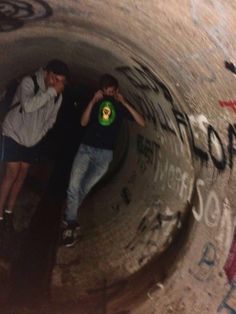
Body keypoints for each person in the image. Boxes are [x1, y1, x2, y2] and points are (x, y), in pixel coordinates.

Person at [62, 73, 145, 247]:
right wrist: (92, 101)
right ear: (101, 91)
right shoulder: (97, 102)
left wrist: (124, 102)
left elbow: (141, 122)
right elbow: (83, 122)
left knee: (84, 188)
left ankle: (70, 215)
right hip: (86, 149)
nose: (109, 95)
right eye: (106, 91)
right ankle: (70, 224)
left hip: (105, 155)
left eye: (112, 91)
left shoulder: (120, 106)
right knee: (73, 186)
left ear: (116, 91)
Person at [0, 59, 70, 223]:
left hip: (32, 140)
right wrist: (51, 92)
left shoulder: (57, 97)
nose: (58, 84)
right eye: (56, 79)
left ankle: (9, 211)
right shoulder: (29, 82)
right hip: (13, 133)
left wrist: (39, 134)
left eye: (61, 81)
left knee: (22, 175)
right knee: (11, 174)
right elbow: (29, 106)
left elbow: (51, 120)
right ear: (48, 73)